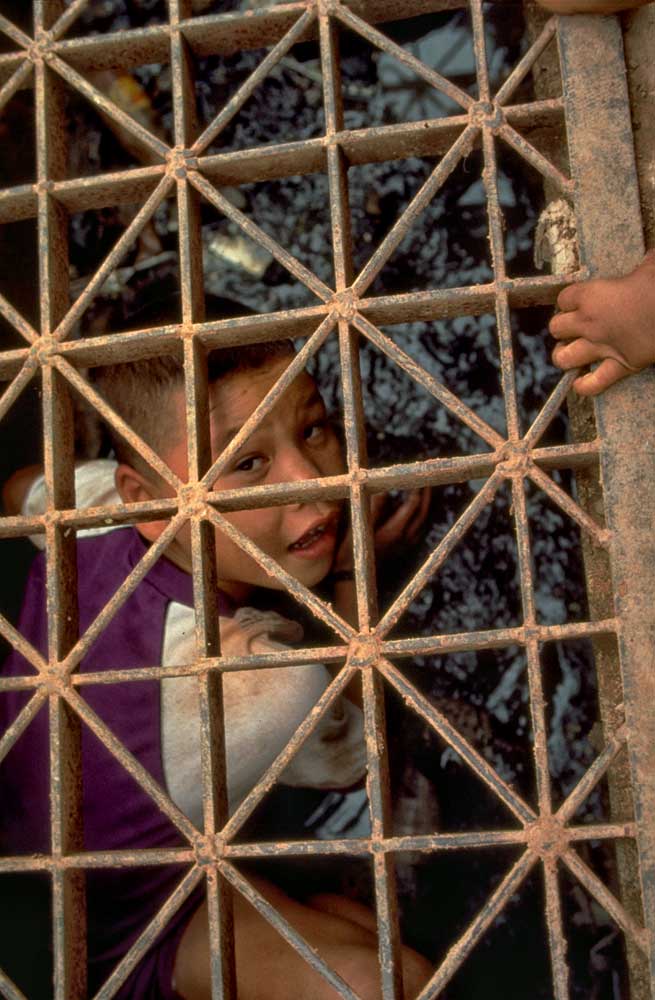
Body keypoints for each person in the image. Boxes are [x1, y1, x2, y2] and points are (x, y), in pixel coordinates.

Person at [0, 298, 431, 1000]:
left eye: (313, 428)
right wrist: (356, 573)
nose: (311, 481)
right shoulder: (262, 683)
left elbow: (21, 488)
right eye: (248, 462)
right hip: (129, 928)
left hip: (23, 825)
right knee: (390, 981)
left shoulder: (94, 504)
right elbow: (357, 758)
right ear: (147, 499)